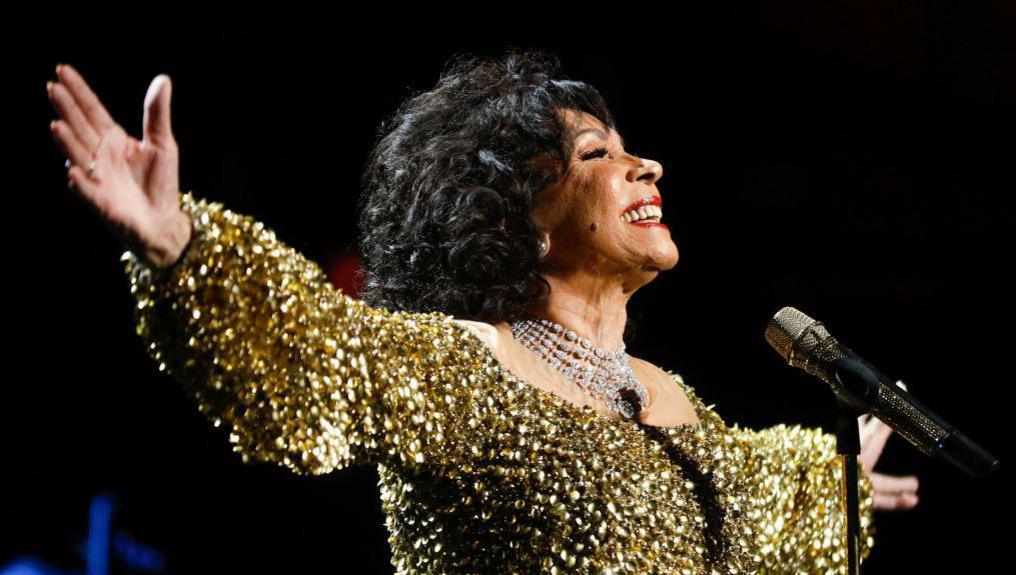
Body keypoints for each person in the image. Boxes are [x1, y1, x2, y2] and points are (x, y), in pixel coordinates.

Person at [47, 49, 919, 574]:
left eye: (631, 147)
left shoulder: (672, 399)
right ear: (518, 219)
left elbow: (750, 496)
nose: (645, 164)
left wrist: (833, 489)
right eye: (596, 153)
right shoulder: (470, 364)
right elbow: (312, 360)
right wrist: (182, 246)